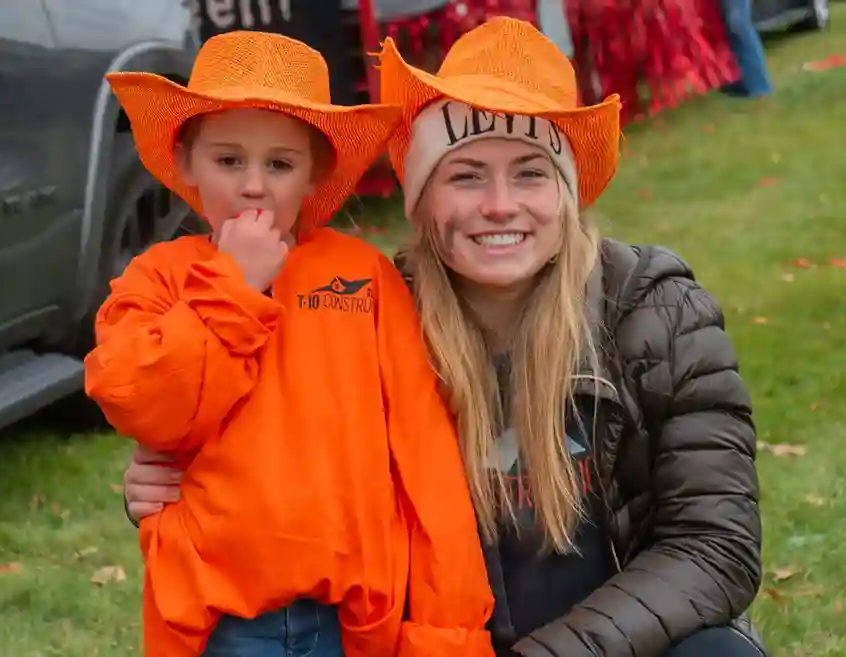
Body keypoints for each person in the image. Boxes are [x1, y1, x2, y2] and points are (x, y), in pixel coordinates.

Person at [120, 17, 768, 657]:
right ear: (425, 195)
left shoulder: (654, 310)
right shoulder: (375, 309)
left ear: (567, 192)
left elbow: (714, 547)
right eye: (466, 175)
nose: (498, 205)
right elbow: (278, 427)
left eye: (531, 173)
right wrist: (181, 480)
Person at [87, 30, 495, 657]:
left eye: (279, 164)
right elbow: (142, 401)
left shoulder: (364, 279)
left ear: (315, 174)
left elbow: (423, 454)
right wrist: (232, 286)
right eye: (229, 160)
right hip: (220, 621)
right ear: (187, 162)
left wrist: (447, 634)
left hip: (352, 618)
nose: (254, 185)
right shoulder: (158, 280)